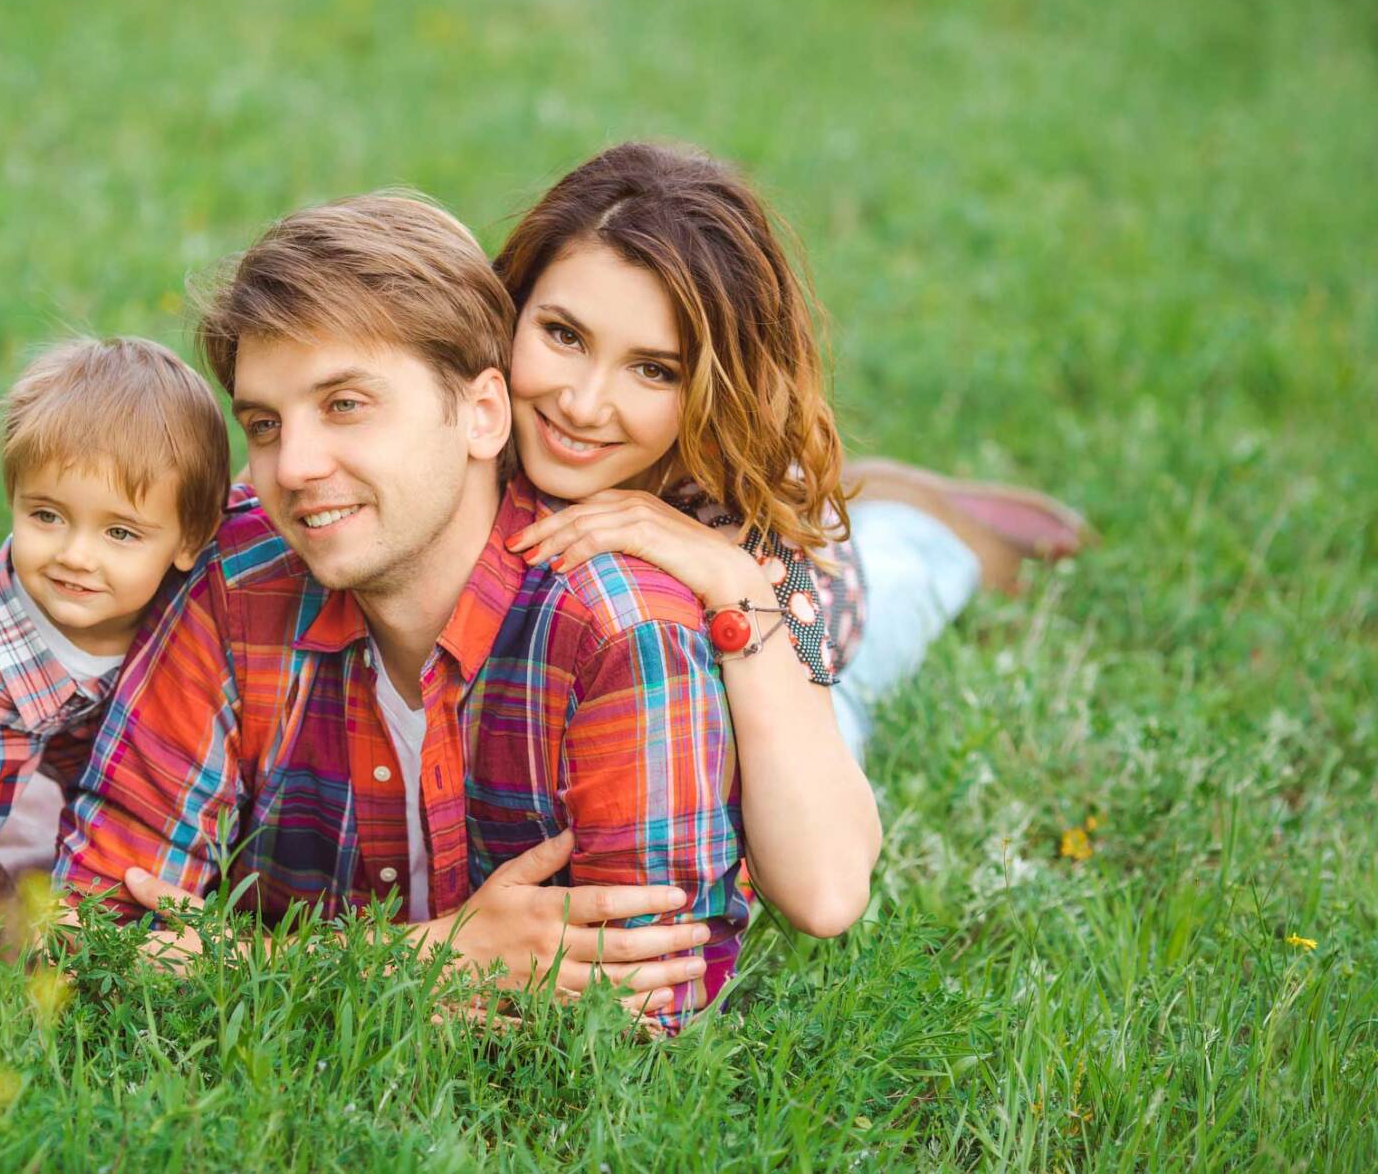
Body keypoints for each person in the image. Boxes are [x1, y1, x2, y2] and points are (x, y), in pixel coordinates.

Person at [56, 195, 739, 1029]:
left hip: (772, 628)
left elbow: (646, 1009)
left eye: (346, 404)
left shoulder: (620, 630)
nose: (294, 468)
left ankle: (916, 523)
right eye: (265, 425)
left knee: (883, 593)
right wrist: (433, 963)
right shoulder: (237, 582)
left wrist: (230, 965)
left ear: (483, 414)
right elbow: (88, 938)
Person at [495, 142, 1086, 931]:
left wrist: (736, 581)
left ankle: (926, 532)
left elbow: (826, 895)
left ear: (714, 387)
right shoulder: (474, 409)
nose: (582, 403)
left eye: (654, 370)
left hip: (806, 637)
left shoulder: (742, 525)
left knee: (889, 622)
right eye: (564, 335)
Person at [0, 336, 230, 929]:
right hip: (82, 760)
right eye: (46, 516)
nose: (75, 556)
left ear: (190, 539)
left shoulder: (217, 593)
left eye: (120, 533)